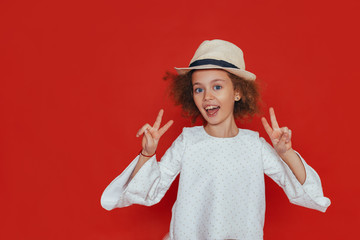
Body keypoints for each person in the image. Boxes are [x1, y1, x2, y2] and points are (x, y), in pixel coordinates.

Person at [100, 39, 331, 240]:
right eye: (198, 89)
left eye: (217, 86)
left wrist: (286, 153)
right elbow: (148, 191)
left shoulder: (254, 146)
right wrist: (147, 154)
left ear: (238, 92)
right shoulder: (187, 142)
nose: (207, 96)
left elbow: (306, 192)